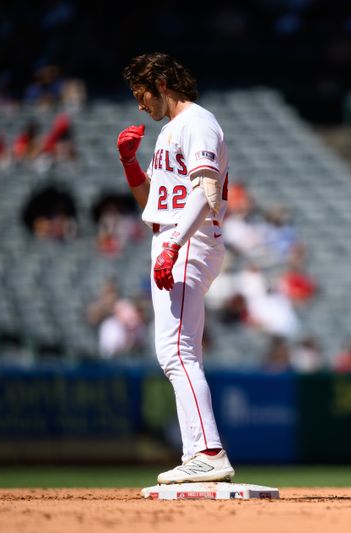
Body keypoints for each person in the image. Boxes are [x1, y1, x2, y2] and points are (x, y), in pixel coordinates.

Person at [117, 52, 234, 485]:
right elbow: (150, 204)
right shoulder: (171, 130)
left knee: (175, 353)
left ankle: (208, 451)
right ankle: (196, 453)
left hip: (187, 239)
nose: (140, 104)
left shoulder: (197, 122)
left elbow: (205, 192)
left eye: (142, 93)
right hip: (174, 236)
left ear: (162, 83)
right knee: (182, 354)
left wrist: (174, 246)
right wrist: (131, 164)